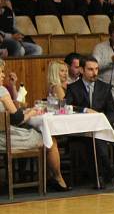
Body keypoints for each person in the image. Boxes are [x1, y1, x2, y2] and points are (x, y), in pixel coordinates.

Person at [0, 57, 69, 191]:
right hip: (6, 138)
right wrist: (32, 112)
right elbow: (17, 118)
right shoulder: (1, 91)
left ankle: (41, 177)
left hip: (5, 136)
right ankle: (58, 179)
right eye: (1, 71)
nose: (3, 74)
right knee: (49, 140)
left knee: (36, 131)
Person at [64, 55, 114, 188]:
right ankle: (107, 169)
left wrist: (104, 122)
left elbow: (112, 112)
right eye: (90, 69)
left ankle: (99, 176)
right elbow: (67, 107)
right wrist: (84, 110)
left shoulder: (105, 88)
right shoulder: (73, 87)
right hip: (80, 129)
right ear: (82, 70)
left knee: (96, 137)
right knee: (93, 139)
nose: (94, 73)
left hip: (101, 128)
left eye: (96, 69)